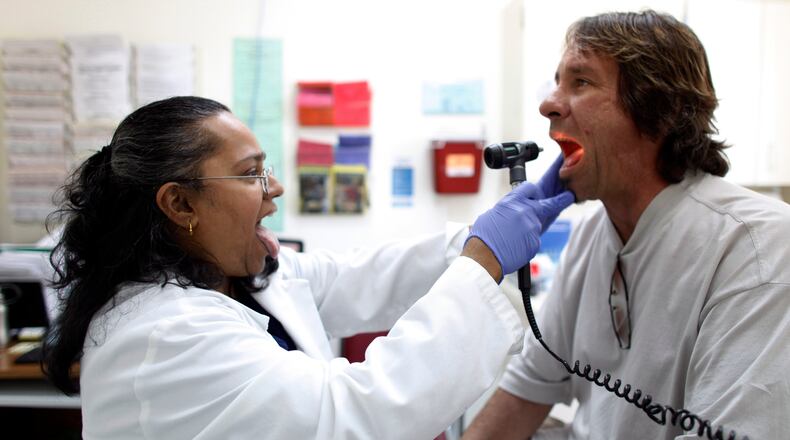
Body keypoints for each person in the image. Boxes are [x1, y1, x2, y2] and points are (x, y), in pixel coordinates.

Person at [41, 96, 574, 439]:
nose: (273, 188)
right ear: (180, 205)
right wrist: (484, 260)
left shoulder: (238, 276)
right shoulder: (163, 337)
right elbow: (357, 413)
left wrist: (479, 235)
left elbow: (361, 276)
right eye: (250, 175)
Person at [463, 9, 790, 440]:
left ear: (659, 111)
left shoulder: (757, 246)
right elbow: (525, 392)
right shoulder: (590, 238)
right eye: (557, 81)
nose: (548, 104)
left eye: (580, 82)